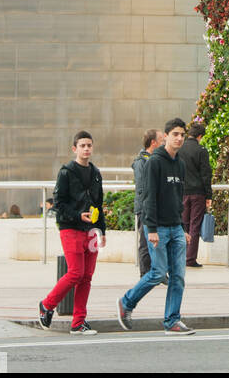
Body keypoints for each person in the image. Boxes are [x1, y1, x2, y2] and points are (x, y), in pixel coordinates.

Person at [117, 118, 195, 335]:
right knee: (158, 272)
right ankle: (126, 302)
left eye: (182, 134)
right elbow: (148, 197)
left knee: (178, 276)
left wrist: (183, 227)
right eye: (175, 134)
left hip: (176, 228)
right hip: (158, 228)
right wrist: (150, 229)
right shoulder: (154, 162)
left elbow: (178, 198)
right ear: (166, 137)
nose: (179, 138)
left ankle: (172, 321)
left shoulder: (180, 164)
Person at [38, 131, 106, 336]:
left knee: (87, 277)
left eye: (89, 145)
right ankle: (46, 305)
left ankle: (78, 322)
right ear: (74, 149)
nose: (86, 149)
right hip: (71, 228)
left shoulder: (95, 173)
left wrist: (101, 230)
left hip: (91, 230)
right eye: (83, 145)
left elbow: (98, 204)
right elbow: (58, 204)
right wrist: (78, 216)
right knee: (75, 272)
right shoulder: (66, 172)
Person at [132, 129, 166, 277]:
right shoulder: (141, 162)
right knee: (146, 242)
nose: (164, 142)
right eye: (161, 139)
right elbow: (143, 187)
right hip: (146, 208)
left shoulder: (159, 160)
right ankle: (145, 272)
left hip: (159, 207)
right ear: (153, 142)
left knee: (161, 240)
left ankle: (159, 272)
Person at [181, 121, 212, 268]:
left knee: (183, 224)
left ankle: (181, 256)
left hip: (182, 192)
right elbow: (206, 174)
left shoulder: (180, 148)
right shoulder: (201, 150)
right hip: (198, 193)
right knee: (194, 225)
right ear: (200, 136)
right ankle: (190, 258)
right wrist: (209, 196)